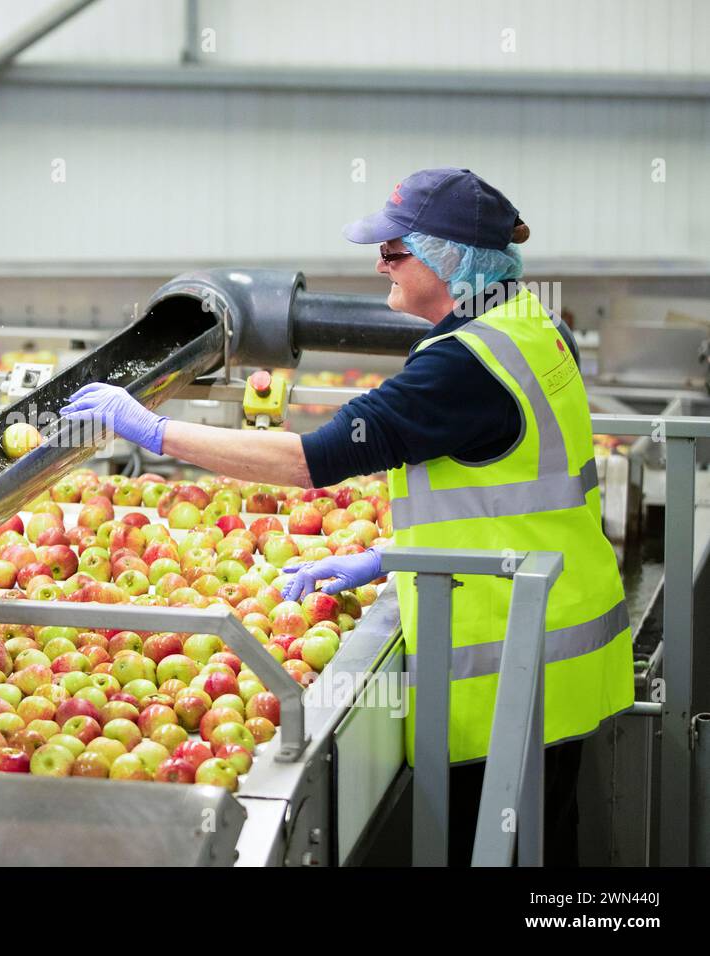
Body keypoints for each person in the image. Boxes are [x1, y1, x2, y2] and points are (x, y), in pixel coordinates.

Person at [61, 167, 633, 866]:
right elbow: (501, 482)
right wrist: (393, 556)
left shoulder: (463, 367)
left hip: (505, 670)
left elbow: (312, 460)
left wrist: (154, 432)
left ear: (451, 260)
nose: (377, 265)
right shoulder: (528, 324)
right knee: (546, 843)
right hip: (559, 638)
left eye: (394, 253)